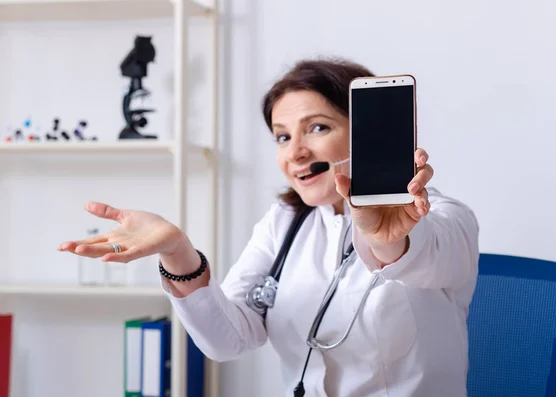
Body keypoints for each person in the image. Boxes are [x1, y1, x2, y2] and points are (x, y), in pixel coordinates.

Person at [58, 58, 479, 397]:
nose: (295, 152)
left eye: (318, 128)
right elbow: (228, 340)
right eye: (281, 136)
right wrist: (176, 250)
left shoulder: (443, 219)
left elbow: (422, 255)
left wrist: (386, 238)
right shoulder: (285, 222)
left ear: (366, 134)